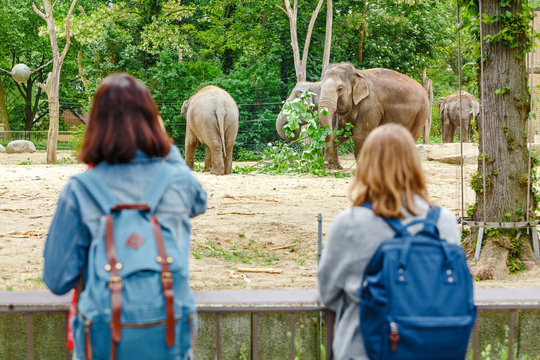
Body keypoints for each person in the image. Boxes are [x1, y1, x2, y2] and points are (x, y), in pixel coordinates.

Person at [42, 73, 207, 359]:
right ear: (152, 120)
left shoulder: (79, 192)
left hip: (104, 343)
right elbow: (199, 202)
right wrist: (166, 146)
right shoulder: (178, 181)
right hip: (168, 336)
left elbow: (57, 280)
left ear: (95, 124)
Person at [317, 123, 459, 360]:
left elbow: (328, 293)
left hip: (363, 349)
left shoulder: (348, 223)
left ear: (366, 166)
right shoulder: (444, 222)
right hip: (431, 348)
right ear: (415, 165)